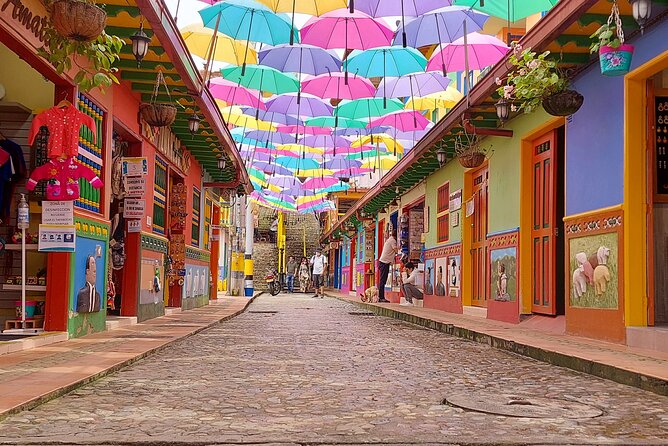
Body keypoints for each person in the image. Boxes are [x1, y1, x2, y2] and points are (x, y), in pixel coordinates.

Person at [377, 231, 397, 303]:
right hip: (384, 263)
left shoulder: (389, 240)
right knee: (383, 281)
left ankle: (381, 297)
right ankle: (381, 297)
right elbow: (396, 250)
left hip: (383, 262)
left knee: (383, 280)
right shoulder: (392, 241)